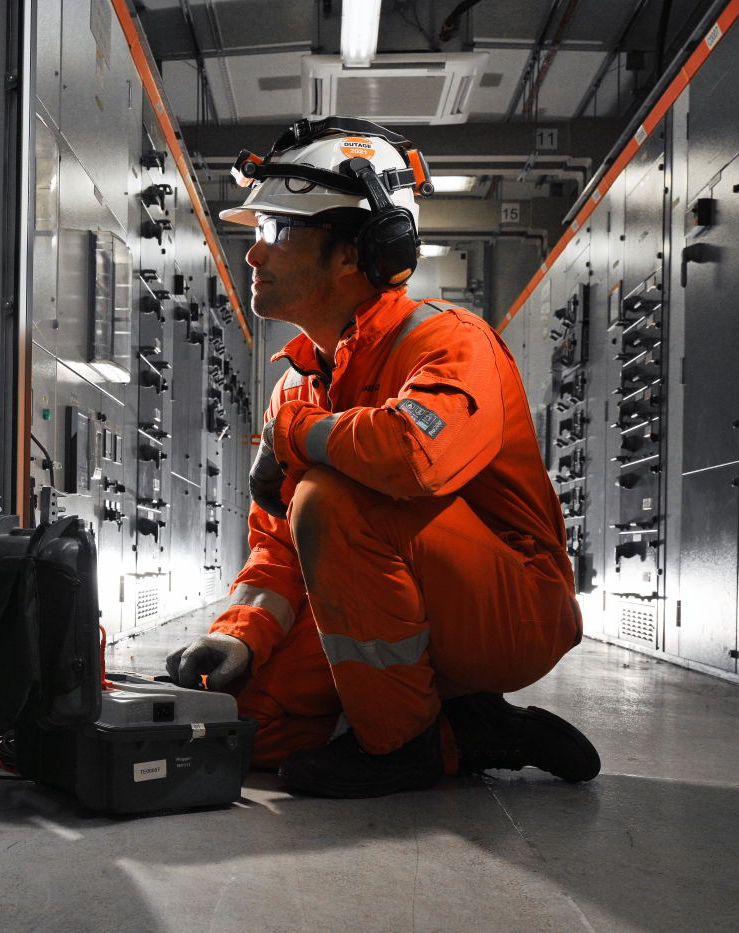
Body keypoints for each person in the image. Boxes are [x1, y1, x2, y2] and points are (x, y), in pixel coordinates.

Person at [165, 117, 600, 798]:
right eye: (256, 232)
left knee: (331, 496)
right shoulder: (298, 385)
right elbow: (278, 545)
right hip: (401, 595)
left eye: (277, 232)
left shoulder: (451, 342)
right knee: (251, 725)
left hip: (513, 610)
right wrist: (239, 638)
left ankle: (402, 746)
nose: (253, 255)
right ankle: (469, 730)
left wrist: (296, 433)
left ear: (356, 253)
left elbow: (414, 456)